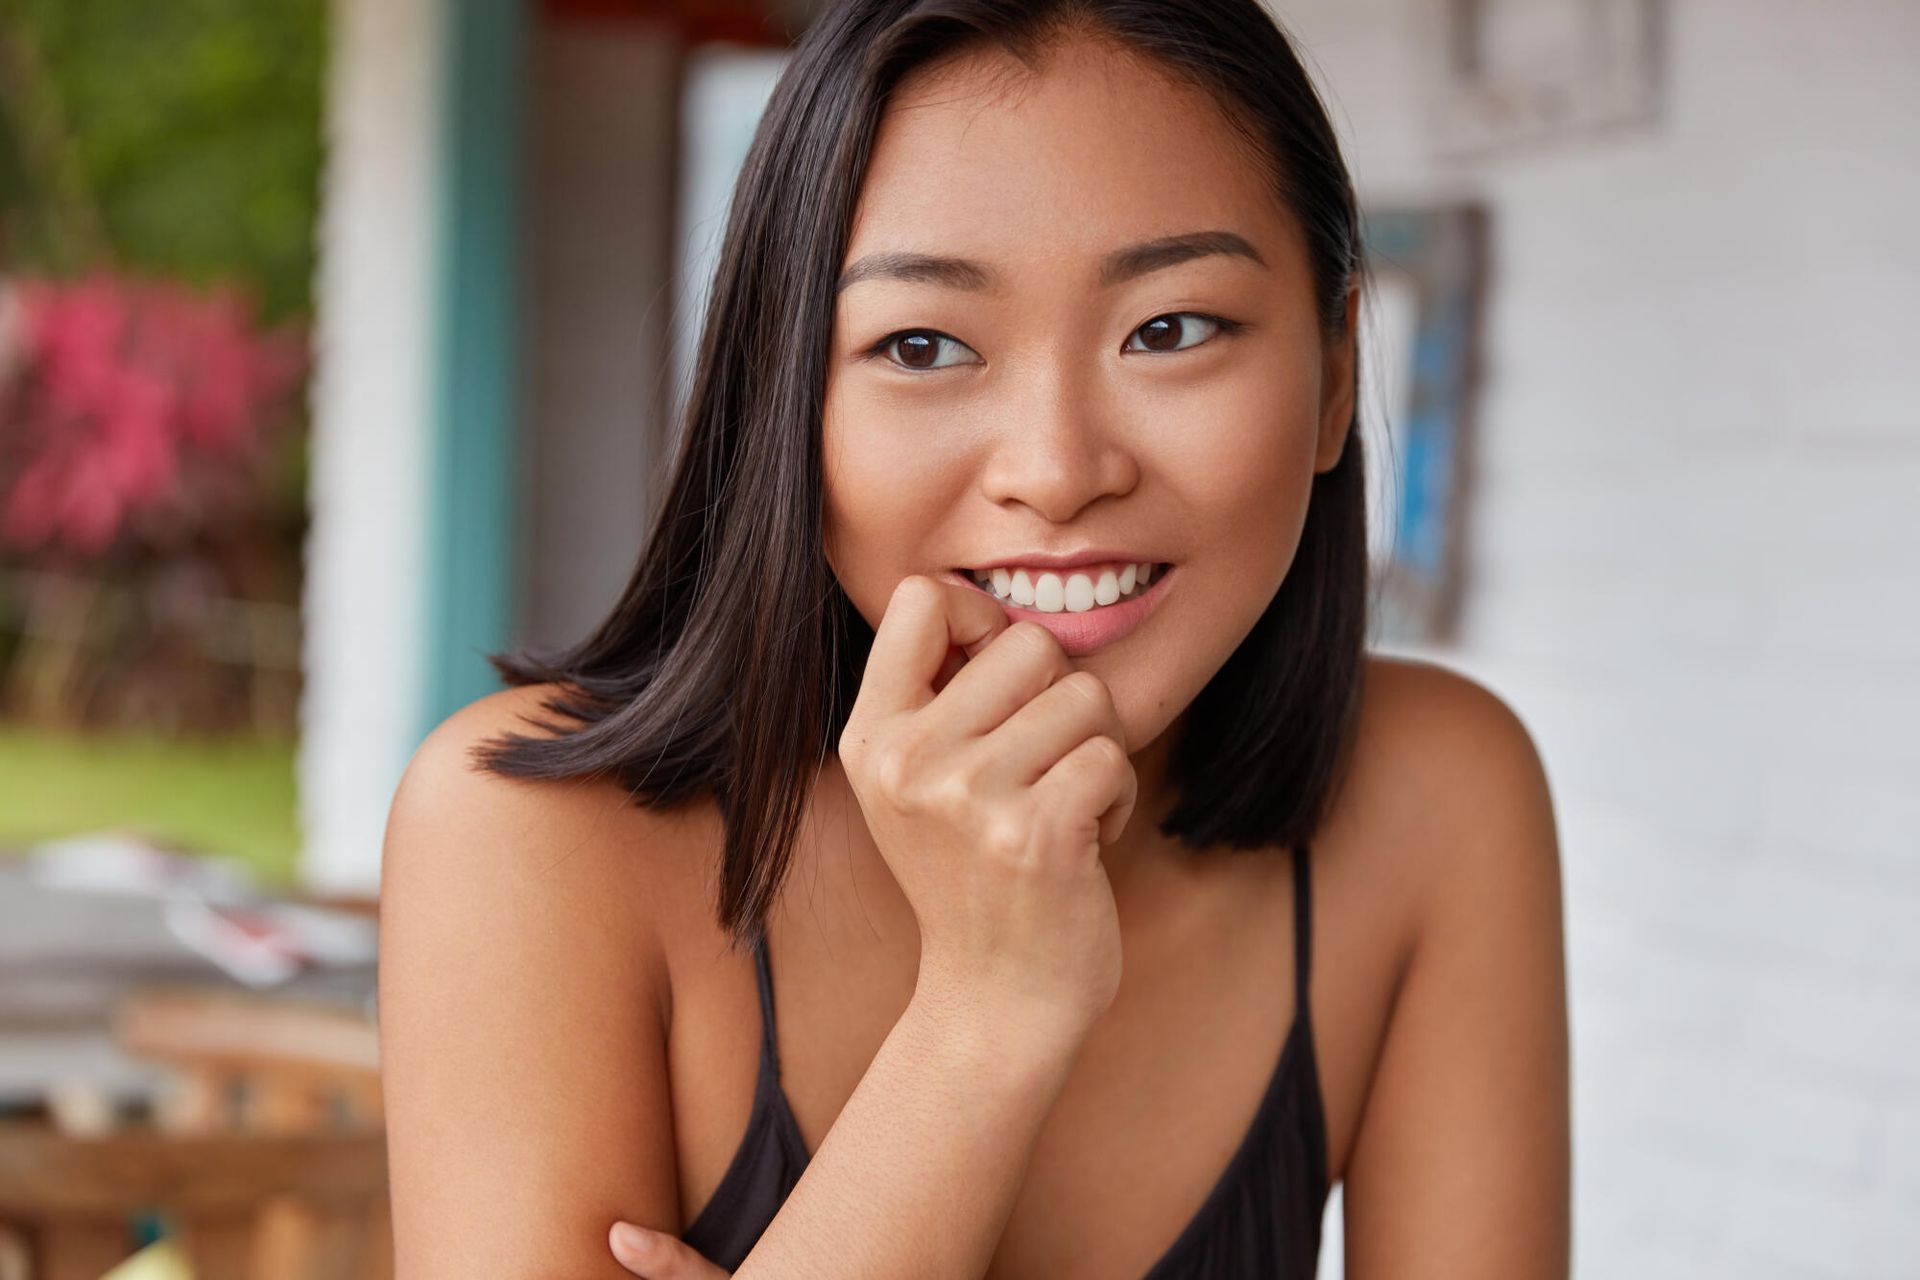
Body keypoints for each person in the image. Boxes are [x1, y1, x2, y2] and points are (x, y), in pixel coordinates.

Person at [376, 1, 1571, 1276]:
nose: (1056, 472)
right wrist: (990, 1009)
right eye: (924, 344)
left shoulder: (1435, 799)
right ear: (788, 397)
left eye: (1170, 328)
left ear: (1335, 374)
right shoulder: (531, 837)